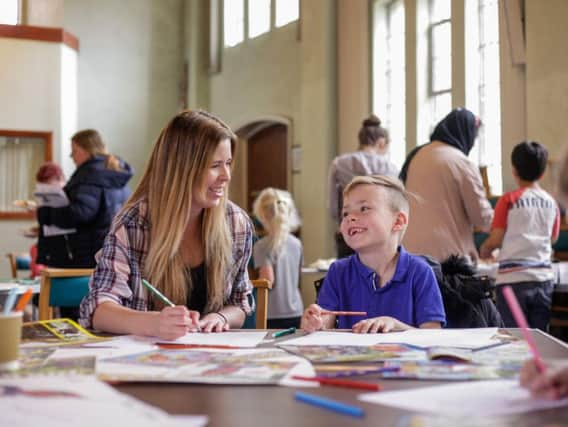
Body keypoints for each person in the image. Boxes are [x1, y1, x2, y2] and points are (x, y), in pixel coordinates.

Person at [79, 110, 254, 340]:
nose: (226, 176)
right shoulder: (134, 223)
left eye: (228, 163)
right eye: (215, 165)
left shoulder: (236, 222)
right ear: (182, 169)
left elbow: (239, 305)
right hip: (147, 363)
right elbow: (99, 309)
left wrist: (221, 318)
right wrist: (154, 323)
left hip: (212, 363)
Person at [301, 175, 446, 333]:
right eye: (345, 213)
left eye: (364, 208)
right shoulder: (338, 271)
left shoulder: (420, 272)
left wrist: (395, 325)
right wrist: (316, 322)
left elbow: (432, 335)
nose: (351, 218)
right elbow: (326, 321)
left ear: (398, 222)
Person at [480, 142, 560, 330]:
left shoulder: (509, 200)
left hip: (513, 281)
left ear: (514, 170)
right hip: (542, 278)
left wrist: (486, 248)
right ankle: (539, 361)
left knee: (515, 335)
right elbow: (553, 238)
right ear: (542, 173)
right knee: (540, 335)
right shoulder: (551, 203)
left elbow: (497, 238)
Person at [400, 108, 493, 262]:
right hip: (447, 257)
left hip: (410, 252)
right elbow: (481, 218)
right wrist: (504, 220)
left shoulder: (417, 155)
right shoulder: (461, 162)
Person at [36, 129, 133, 269]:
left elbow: (80, 213)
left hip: (87, 255)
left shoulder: (90, 175)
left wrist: (47, 213)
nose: (72, 156)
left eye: (74, 151)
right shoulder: (114, 173)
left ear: (86, 150)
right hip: (110, 251)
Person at [328, 115, 399, 258]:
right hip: (380, 234)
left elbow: (332, 205)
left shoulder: (339, 163)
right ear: (381, 142)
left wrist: (341, 222)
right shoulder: (390, 167)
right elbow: (395, 204)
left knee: (347, 277)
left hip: (349, 231)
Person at [252, 188, 303, 329]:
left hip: (272, 313)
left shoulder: (261, 246)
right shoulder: (296, 243)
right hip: (295, 310)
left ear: (262, 215)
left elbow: (268, 280)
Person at [29, 162, 67, 278]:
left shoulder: (72, 197)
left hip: (63, 255)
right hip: (49, 249)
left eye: (49, 185)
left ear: (60, 179)